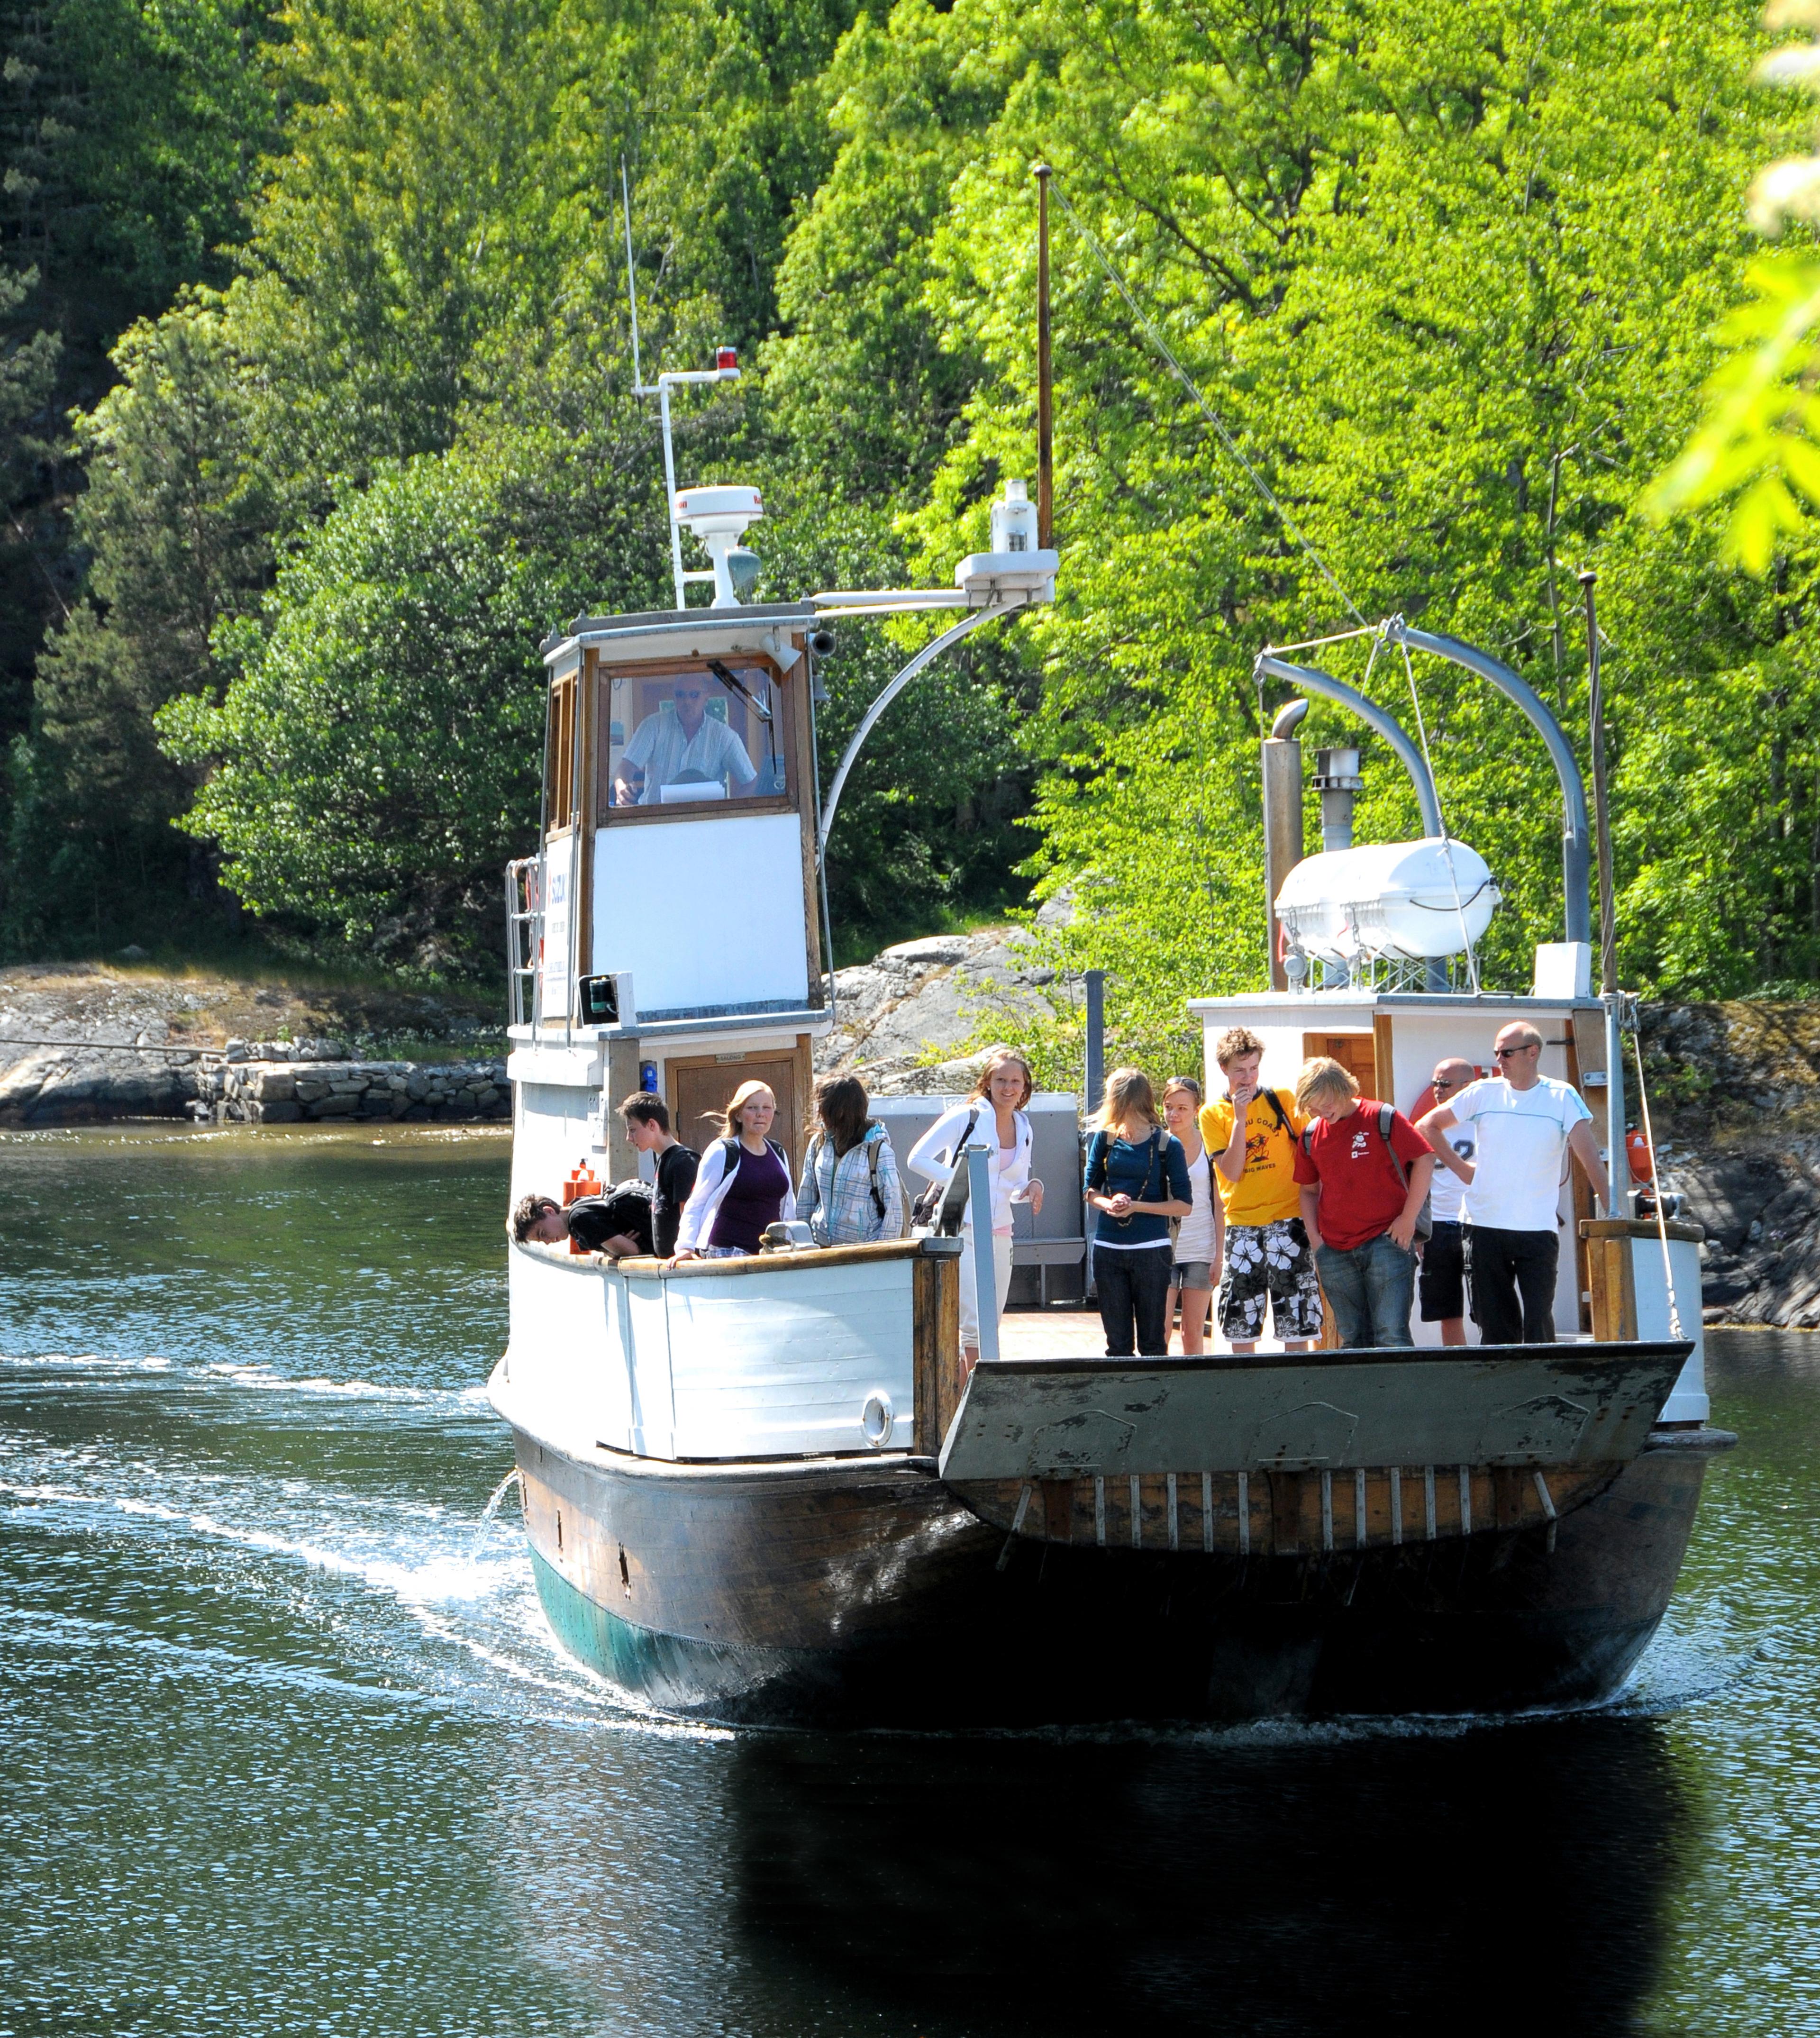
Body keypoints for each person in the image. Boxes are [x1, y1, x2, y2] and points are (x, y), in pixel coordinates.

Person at [1417, 1021, 1613, 1344]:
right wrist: (1462, 1170)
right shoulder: (1483, 1092)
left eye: (1506, 1053)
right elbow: (1427, 1126)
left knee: (1539, 1319)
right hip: (1483, 1226)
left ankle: (1540, 1375)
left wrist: (1613, 1212)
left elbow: (1590, 1157)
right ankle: (1501, 1377)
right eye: (1496, 1053)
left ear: (1532, 1053)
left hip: (1537, 1227)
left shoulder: (1562, 1096)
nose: (1499, 1060)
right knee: (1495, 1323)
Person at [906, 1050, 1045, 1371]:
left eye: (1015, 1081)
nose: (1008, 1088)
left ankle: (963, 1388)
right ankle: (978, 1390)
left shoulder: (1025, 1128)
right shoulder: (965, 1116)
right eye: (1001, 1080)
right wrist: (963, 1180)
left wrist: (1033, 1187)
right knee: (974, 1324)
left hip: (1001, 1234)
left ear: (1025, 1087)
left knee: (991, 1322)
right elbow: (916, 1159)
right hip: (964, 1229)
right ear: (987, 1083)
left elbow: (1012, 1187)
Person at [1292, 1057, 1435, 1349]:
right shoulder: (1311, 1134)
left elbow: (1425, 1158)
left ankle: (1399, 1382)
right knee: (1353, 1339)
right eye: (1313, 1108)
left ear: (1343, 1089)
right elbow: (1308, 1191)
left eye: (1326, 1103)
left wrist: (1408, 1219)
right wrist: (1316, 1241)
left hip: (1387, 1241)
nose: (1321, 1113)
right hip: (1334, 1250)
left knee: (1391, 1335)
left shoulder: (1382, 1116)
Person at [1198, 1027, 1322, 1353]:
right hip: (1242, 1226)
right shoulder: (1212, 1114)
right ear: (1224, 1069)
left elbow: (1313, 1153)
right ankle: (1246, 1381)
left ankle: (1299, 1381)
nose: (1248, 1078)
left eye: (1254, 1068)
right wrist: (1240, 1119)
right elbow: (1232, 1172)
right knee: (1241, 1324)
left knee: (1297, 1320)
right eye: (1240, 1070)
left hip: (1289, 1221)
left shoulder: (1282, 1099)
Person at [1084, 1068, 1193, 1358]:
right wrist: (1108, 1204)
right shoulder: (1105, 1139)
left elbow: (1185, 1205)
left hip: (1152, 1251)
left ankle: (1153, 1389)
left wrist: (1136, 1206)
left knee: (1153, 1344)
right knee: (1117, 1346)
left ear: (1119, 1100)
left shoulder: (1167, 1144)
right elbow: (1089, 1190)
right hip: (1108, 1249)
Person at [673, 1080, 794, 1259]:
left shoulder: (778, 1152)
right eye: (752, 1108)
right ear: (738, 1115)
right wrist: (686, 1247)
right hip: (728, 1252)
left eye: (767, 1108)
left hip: (771, 1254)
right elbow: (697, 1203)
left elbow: (788, 1204)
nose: (760, 1114)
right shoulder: (722, 1151)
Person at [612, 675, 758, 807]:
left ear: (706, 698)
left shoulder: (725, 737)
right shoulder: (653, 726)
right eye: (680, 695)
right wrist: (622, 788)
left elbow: (751, 782)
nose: (687, 701)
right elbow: (626, 767)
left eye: (694, 695)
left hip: (704, 821)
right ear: (674, 697)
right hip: (655, 819)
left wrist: (729, 812)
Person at [798, 1074, 905, 1246]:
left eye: (824, 1106)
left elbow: (894, 1211)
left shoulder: (877, 1150)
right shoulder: (820, 1142)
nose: (820, 1113)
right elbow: (807, 1196)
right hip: (821, 1245)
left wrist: (882, 1255)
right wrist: (804, 1243)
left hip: (862, 1251)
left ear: (840, 1111)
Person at [1417, 1056, 1478, 1346]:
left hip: (1478, 1222)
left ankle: (1489, 1362)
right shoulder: (1425, 1126)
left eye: (1444, 1084)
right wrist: (1419, 1231)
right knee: (1447, 1309)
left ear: (1467, 1086)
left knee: (1487, 1303)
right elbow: (1416, 1182)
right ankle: (1457, 1362)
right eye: (1434, 1083)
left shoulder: (1483, 1123)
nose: (1437, 1090)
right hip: (1438, 1225)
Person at [1161, 1075, 1222, 1355]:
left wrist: (1219, 1256)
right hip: (1164, 1246)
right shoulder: (1157, 1144)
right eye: (1169, 1107)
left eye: (1182, 1108)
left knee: (1193, 1331)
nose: (1174, 1114)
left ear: (1196, 1110)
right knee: (1159, 1329)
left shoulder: (1209, 1145)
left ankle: (1194, 1380)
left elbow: (1220, 1203)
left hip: (1201, 1247)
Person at [618, 1092, 699, 1259]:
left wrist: (686, 1251)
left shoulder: (683, 1162)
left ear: (652, 1125)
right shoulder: (664, 1160)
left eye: (633, 1130)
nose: (628, 1138)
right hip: (667, 1264)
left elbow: (690, 1213)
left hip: (683, 1265)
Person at [510, 1184, 654, 1257]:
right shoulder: (580, 1204)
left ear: (549, 1211)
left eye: (542, 1233)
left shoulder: (578, 1219)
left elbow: (633, 1251)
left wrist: (615, 1251)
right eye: (541, 1241)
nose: (547, 1242)